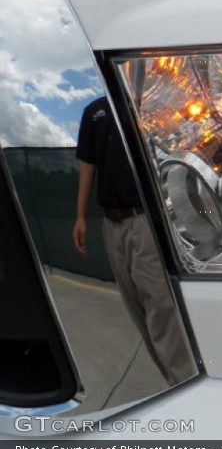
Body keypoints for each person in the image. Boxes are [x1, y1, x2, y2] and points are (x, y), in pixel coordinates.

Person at [72, 96, 194, 386]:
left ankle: (185, 382)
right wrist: (80, 216)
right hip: (111, 222)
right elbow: (88, 165)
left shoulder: (149, 101)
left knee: (161, 308)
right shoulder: (94, 111)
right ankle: (172, 381)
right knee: (136, 308)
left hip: (144, 219)